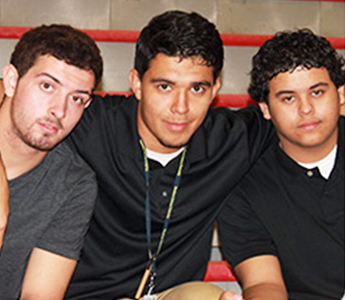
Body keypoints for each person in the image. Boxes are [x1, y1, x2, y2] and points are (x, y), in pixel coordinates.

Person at [63, 10, 274, 300]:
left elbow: (315, 112)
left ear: (215, 90)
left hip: (172, 294)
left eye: (197, 88)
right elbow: (16, 96)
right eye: (165, 86)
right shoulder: (92, 123)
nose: (181, 107)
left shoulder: (229, 139)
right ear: (136, 83)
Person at [218, 29, 345, 300]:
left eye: (317, 92)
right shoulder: (243, 185)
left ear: (340, 94)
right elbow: (264, 283)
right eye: (288, 98)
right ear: (265, 109)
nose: (306, 109)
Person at [0, 24, 103, 300]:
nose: (59, 110)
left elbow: (40, 294)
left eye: (77, 99)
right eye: (47, 86)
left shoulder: (74, 183)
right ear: (11, 81)